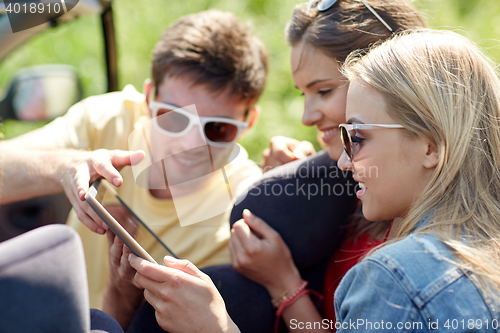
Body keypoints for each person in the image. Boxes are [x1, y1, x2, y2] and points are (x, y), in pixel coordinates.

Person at [127, 28, 500, 332]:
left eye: (358, 138)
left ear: (431, 147)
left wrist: (215, 326)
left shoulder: (392, 279)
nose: (343, 163)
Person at [0, 8, 268, 315]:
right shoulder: (110, 119)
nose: (191, 144)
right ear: (149, 97)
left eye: (218, 128)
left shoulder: (242, 217)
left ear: (250, 120)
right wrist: (61, 167)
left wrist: (124, 293)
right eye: (174, 117)